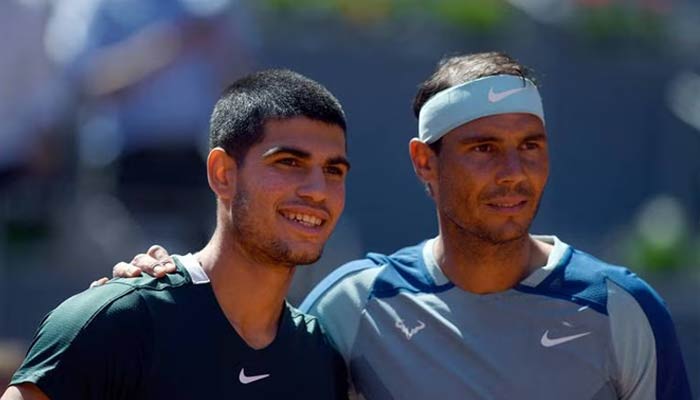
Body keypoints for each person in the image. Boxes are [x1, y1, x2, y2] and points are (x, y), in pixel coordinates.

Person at [103, 52, 692, 399]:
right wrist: (163, 286)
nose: (513, 172)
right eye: (484, 148)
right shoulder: (352, 305)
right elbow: (235, 345)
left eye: (530, 147)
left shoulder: (623, 310)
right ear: (424, 163)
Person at [2, 69, 350, 400]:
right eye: (289, 162)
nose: (317, 190)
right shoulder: (114, 321)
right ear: (223, 173)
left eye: (334, 170)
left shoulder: (319, 354)